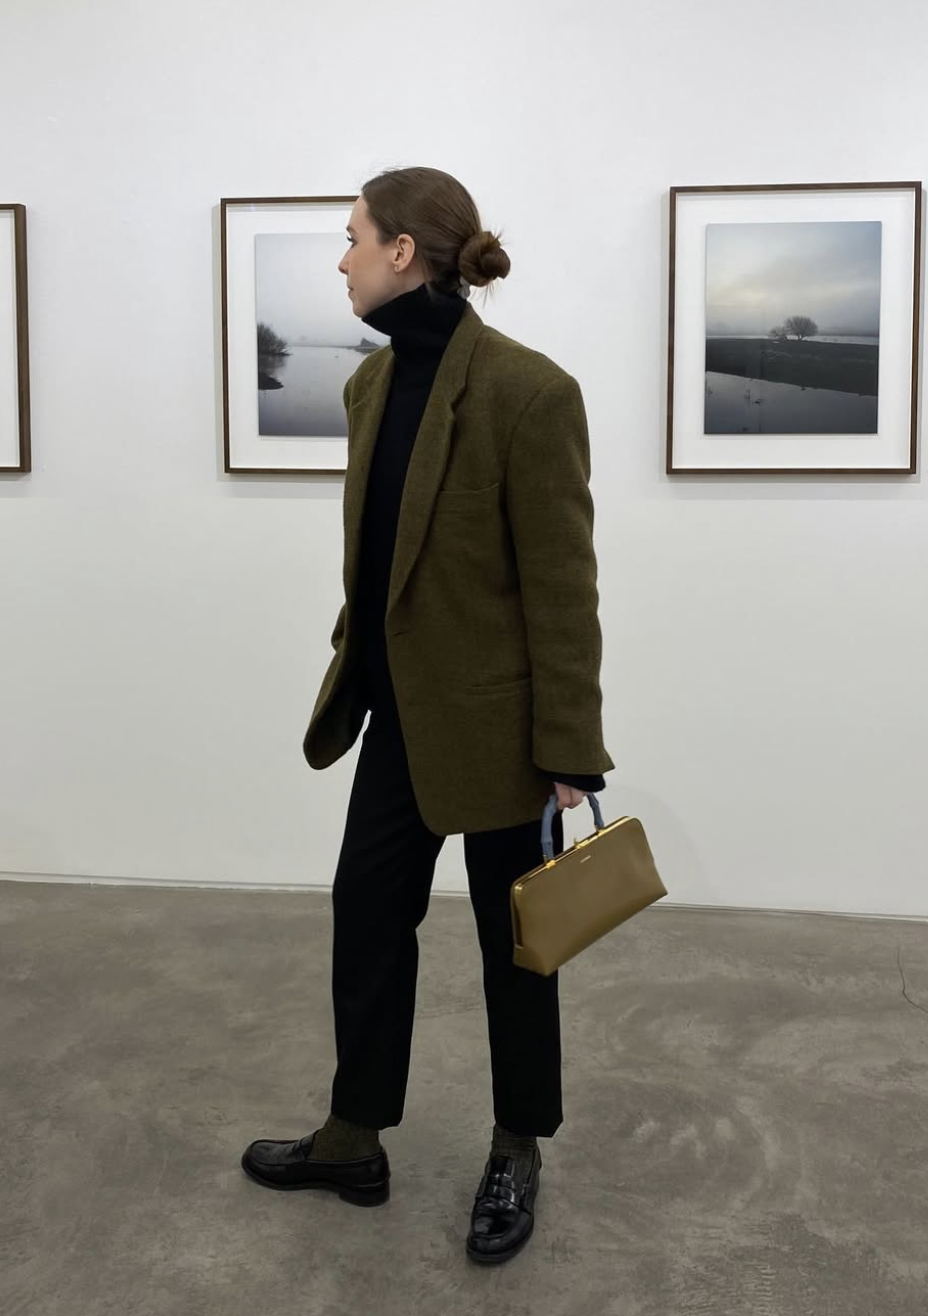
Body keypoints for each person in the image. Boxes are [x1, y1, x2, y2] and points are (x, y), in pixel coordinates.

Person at [241, 167, 614, 1265]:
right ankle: (356, 1133)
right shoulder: (369, 389)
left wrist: (569, 753)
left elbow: (561, 588)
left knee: (518, 950)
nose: (342, 256)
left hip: (504, 732)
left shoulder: (528, 392)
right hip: (399, 716)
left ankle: (518, 1144)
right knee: (366, 916)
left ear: (404, 250)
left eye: (352, 237)